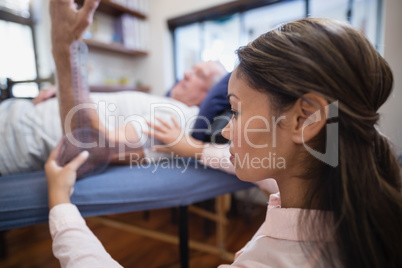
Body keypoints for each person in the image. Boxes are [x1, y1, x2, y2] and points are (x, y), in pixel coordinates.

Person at [46, 6, 402, 268]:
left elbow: (87, 135)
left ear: (304, 119)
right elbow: (247, 162)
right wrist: (193, 148)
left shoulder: (176, 117)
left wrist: (60, 203)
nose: (228, 130)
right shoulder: (333, 194)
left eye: (236, 110)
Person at [0, 0, 226, 176]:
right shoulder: (167, 105)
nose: (186, 73)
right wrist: (64, 92)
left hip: (16, 136)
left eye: (199, 74)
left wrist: (65, 49)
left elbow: (91, 146)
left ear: (207, 95)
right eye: (191, 68)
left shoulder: (182, 118)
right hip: (17, 114)